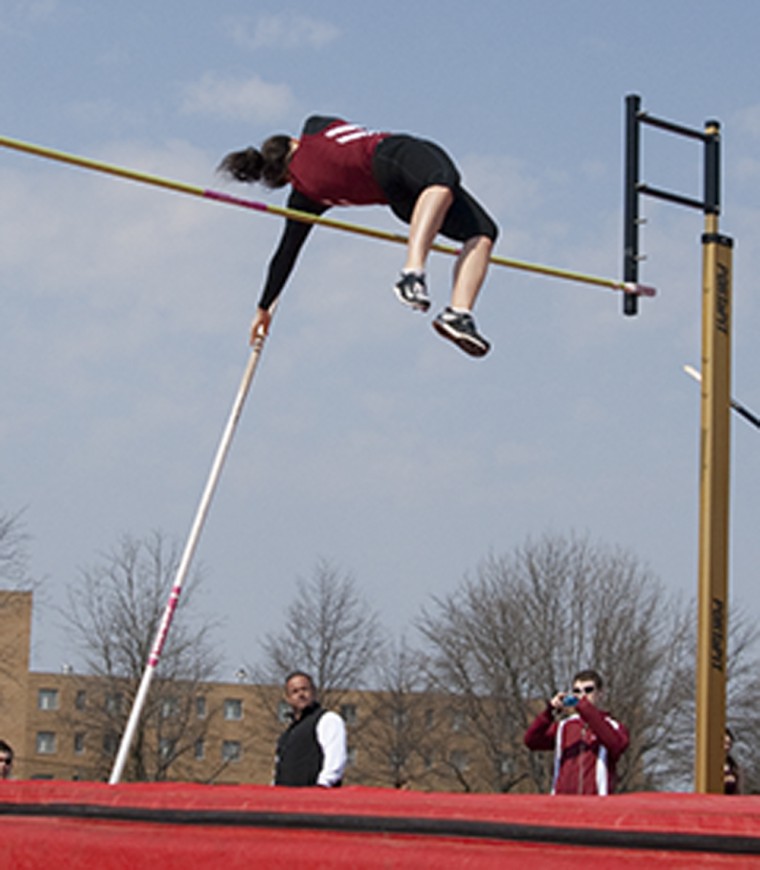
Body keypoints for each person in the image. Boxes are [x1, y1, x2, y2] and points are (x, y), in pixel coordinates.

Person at [219, 115, 498, 358]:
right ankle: (412, 274)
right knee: (443, 177)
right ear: (292, 142)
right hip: (392, 156)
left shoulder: (305, 197)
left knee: (482, 230)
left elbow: (285, 254)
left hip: (399, 199)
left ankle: (458, 315)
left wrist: (263, 307)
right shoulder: (313, 127)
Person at [524, 669, 629, 795]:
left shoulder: (613, 726)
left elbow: (616, 745)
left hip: (597, 804)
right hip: (563, 803)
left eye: (588, 690)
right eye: (577, 691)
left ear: (600, 693)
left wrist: (585, 708)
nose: (582, 695)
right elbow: (531, 740)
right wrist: (549, 711)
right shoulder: (564, 727)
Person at [273, 671, 346, 787]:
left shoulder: (327, 720)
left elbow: (335, 761)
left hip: (315, 798)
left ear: (313, 692)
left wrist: (322, 786)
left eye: (304, 689)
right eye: (295, 691)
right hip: (286, 798)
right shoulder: (288, 733)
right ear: (288, 698)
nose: (301, 694)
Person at [724, 726, 742, 795]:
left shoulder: (734, 766)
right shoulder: (709, 764)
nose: (727, 747)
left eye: (729, 744)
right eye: (725, 743)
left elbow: (738, 790)